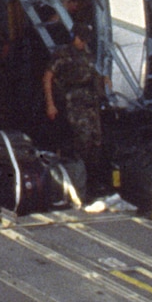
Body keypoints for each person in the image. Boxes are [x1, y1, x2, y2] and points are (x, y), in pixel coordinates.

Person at [41, 36, 108, 199]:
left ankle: (93, 184)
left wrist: (103, 80)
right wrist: (50, 104)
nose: (82, 42)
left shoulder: (86, 53)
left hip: (91, 103)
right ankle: (80, 185)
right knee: (81, 142)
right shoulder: (63, 54)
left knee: (96, 142)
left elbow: (92, 73)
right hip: (73, 103)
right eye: (80, 38)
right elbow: (47, 77)